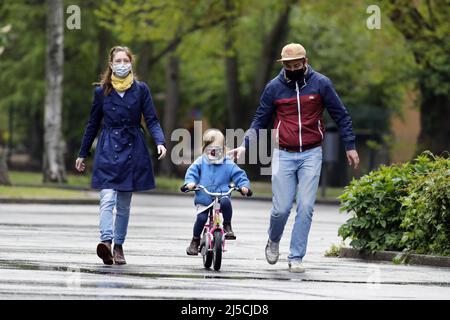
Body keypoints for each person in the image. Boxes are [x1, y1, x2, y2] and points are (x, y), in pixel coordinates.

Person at [228, 43, 359, 273]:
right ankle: (274, 239)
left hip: (311, 153)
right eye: (288, 65)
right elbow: (260, 120)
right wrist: (244, 146)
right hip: (283, 153)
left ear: (305, 62)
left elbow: (341, 115)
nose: (293, 68)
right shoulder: (274, 88)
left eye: (297, 64)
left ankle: (296, 256)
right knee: (281, 209)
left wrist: (350, 146)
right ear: (283, 65)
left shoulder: (321, 84)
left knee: (306, 207)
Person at [75, 46, 167, 265]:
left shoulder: (141, 89)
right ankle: (105, 242)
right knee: (107, 198)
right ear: (111, 64)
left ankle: (119, 246)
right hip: (108, 148)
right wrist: (82, 153)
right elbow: (93, 124)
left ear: (131, 64)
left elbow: (152, 119)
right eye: (118, 61)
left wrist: (160, 141)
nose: (122, 64)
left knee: (124, 203)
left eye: (126, 61)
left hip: (133, 148)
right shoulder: (101, 92)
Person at [183, 129, 251, 255]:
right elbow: (192, 172)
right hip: (204, 196)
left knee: (226, 202)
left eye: (217, 149)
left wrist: (243, 186)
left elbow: (239, 175)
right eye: (210, 149)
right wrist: (190, 183)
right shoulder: (201, 161)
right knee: (201, 218)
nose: (214, 152)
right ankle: (195, 240)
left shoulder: (228, 163)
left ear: (224, 149)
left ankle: (227, 224)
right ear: (205, 149)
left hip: (222, 194)